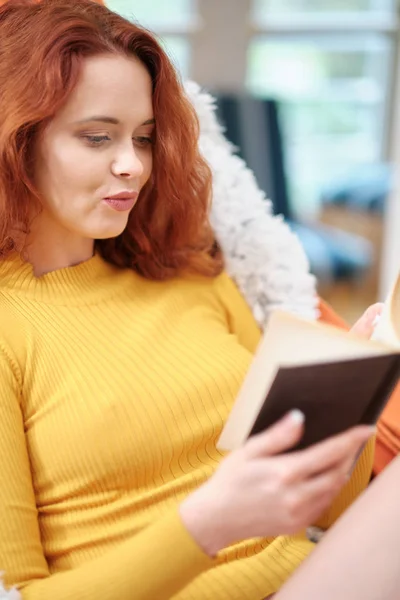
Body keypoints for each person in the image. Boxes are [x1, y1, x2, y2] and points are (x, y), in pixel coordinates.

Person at [0, 1, 379, 598]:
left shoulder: (190, 270)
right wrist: (206, 524)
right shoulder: (10, 330)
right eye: (97, 137)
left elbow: (331, 514)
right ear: (15, 140)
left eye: (144, 138)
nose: (132, 165)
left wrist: (349, 409)